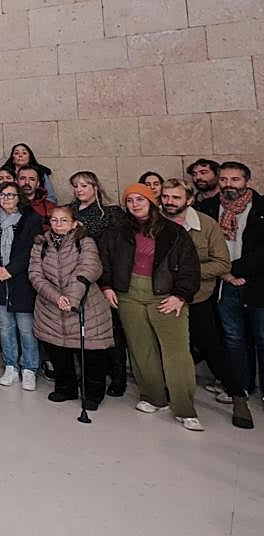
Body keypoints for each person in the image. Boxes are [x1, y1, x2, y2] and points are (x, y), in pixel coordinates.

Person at [101, 184, 203, 431]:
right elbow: (105, 260)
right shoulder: (117, 231)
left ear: (151, 201)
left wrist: (181, 295)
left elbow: (190, 266)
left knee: (176, 352)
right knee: (141, 348)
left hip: (165, 295)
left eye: (140, 199)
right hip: (128, 294)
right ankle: (153, 396)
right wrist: (107, 286)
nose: (135, 204)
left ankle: (185, 408)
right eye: (130, 200)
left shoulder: (174, 232)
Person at [160, 178, 253, 428]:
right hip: (165, 299)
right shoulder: (155, 224)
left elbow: (222, 264)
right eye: (166, 197)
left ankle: (238, 396)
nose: (169, 202)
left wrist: (186, 272)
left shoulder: (206, 225)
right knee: (173, 349)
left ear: (188, 200)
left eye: (176, 197)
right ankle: (174, 391)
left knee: (212, 346)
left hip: (198, 297)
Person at [28, 205, 111, 410]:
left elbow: (89, 268)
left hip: (84, 306)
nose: (58, 224)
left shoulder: (85, 242)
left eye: (63, 220)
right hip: (51, 308)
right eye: (54, 220)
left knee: (91, 355)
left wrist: (71, 299)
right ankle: (66, 388)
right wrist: (57, 298)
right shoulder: (41, 244)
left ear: (74, 223)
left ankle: (93, 394)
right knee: (58, 351)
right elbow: (35, 275)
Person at [197, 162, 264, 408]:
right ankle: (240, 386)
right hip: (224, 283)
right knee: (234, 337)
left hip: (255, 282)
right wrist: (226, 274)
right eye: (224, 179)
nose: (228, 185)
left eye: (235, 180)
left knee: (262, 336)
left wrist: (236, 270)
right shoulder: (209, 207)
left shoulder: (260, 207)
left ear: (246, 181)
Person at [69, 170, 128, 396]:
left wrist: (109, 282)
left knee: (111, 331)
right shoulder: (69, 211)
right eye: (76, 186)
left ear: (95, 187)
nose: (80, 189)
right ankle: (88, 375)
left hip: (103, 278)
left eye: (84, 185)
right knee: (80, 330)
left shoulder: (111, 213)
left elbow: (118, 250)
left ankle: (117, 377)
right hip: (75, 277)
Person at [0, 182, 42, 390]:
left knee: (26, 327)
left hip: (21, 279)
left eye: (11, 195)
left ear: (19, 197)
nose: (6, 199)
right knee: (5, 326)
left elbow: (31, 249)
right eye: (2, 195)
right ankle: (10, 365)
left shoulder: (31, 219)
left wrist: (11, 269)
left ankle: (30, 368)